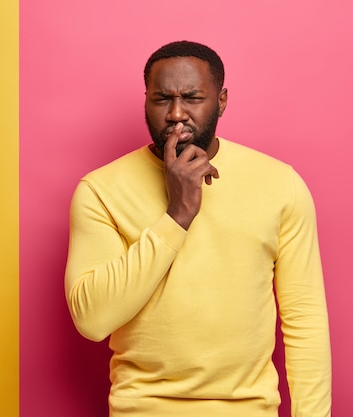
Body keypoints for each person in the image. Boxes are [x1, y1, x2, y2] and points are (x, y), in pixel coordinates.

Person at [64, 40, 331, 417]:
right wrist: (177, 216)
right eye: (161, 99)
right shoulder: (100, 190)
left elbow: (304, 319)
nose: (176, 114)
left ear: (221, 100)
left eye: (192, 97)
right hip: (141, 409)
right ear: (145, 101)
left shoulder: (279, 183)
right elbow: (92, 320)